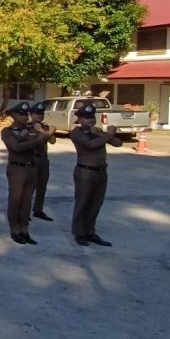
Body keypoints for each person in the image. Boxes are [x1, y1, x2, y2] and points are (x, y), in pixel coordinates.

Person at [69, 103, 122, 247]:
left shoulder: (97, 132)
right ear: (79, 119)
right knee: (83, 202)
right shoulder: (76, 132)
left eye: (92, 117)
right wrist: (108, 134)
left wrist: (104, 134)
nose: (90, 120)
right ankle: (79, 233)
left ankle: (90, 232)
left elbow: (118, 143)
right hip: (85, 172)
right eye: (86, 118)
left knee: (96, 204)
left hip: (100, 172)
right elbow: (90, 145)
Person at [1, 102, 52, 245]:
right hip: (17, 168)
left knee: (26, 202)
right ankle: (15, 230)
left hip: (31, 167)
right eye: (20, 114)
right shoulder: (7, 131)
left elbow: (44, 141)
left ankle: (25, 229)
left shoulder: (32, 129)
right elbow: (16, 147)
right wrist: (31, 139)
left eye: (25, 114)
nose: (24, 117)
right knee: (16, 200)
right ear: (13, 115)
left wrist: (40, 135)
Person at [30, 101, 56, 222]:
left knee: (42, 186)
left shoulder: (45, 127)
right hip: (32, 158)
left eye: (41, 114)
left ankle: (38, 209)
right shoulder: (28, 127)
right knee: (30, 186)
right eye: (37, 114)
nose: (39, 116)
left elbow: (52, 141)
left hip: (43, 159)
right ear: (31, 115)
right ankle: (25, 210)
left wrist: (45, 131)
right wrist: (47, 132)